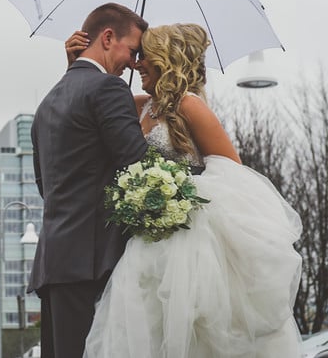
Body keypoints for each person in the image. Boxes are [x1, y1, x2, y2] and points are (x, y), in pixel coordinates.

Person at [66, 23, 302, 357]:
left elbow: (236, 177)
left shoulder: (191, 106)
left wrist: (176, 192)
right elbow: (92, 98)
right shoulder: (139, 105)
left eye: (143, 56)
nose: (136, 63)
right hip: (143, 248)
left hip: (188, 246)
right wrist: (77, 63)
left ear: (164, 58)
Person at [28, 2, 149, 358]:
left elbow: (45, 186)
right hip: (94, 263)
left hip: (55, 263)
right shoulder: (109, 90)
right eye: (132, 50)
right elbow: (137, 165)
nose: (133, 62)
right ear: (108, 38)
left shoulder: (48, 101)